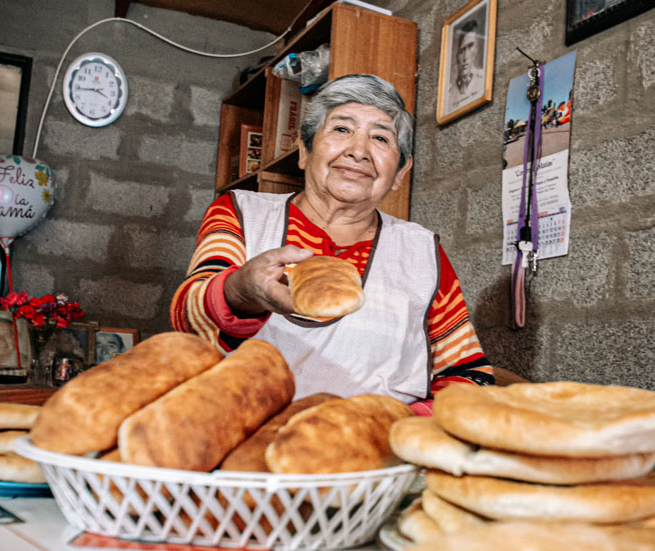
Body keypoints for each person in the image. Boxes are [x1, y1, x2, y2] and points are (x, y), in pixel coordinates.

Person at [171, 73, 493, 412]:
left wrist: (396, 430)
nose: (358, 151)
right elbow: (187, 319)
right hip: (244, 436)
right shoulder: (241, 212)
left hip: (375, 452)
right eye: (341, 129)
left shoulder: (422, 251)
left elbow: (469, 374)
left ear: (399, 172)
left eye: (381, 138)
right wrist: (243, 290)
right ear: (305, 151)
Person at [446, 18, 485, 113]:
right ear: (457, 56)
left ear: (477, 50)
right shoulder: (448, 93)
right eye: (461, 50)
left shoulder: (483, 79)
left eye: (470, 46)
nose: (465, 57)